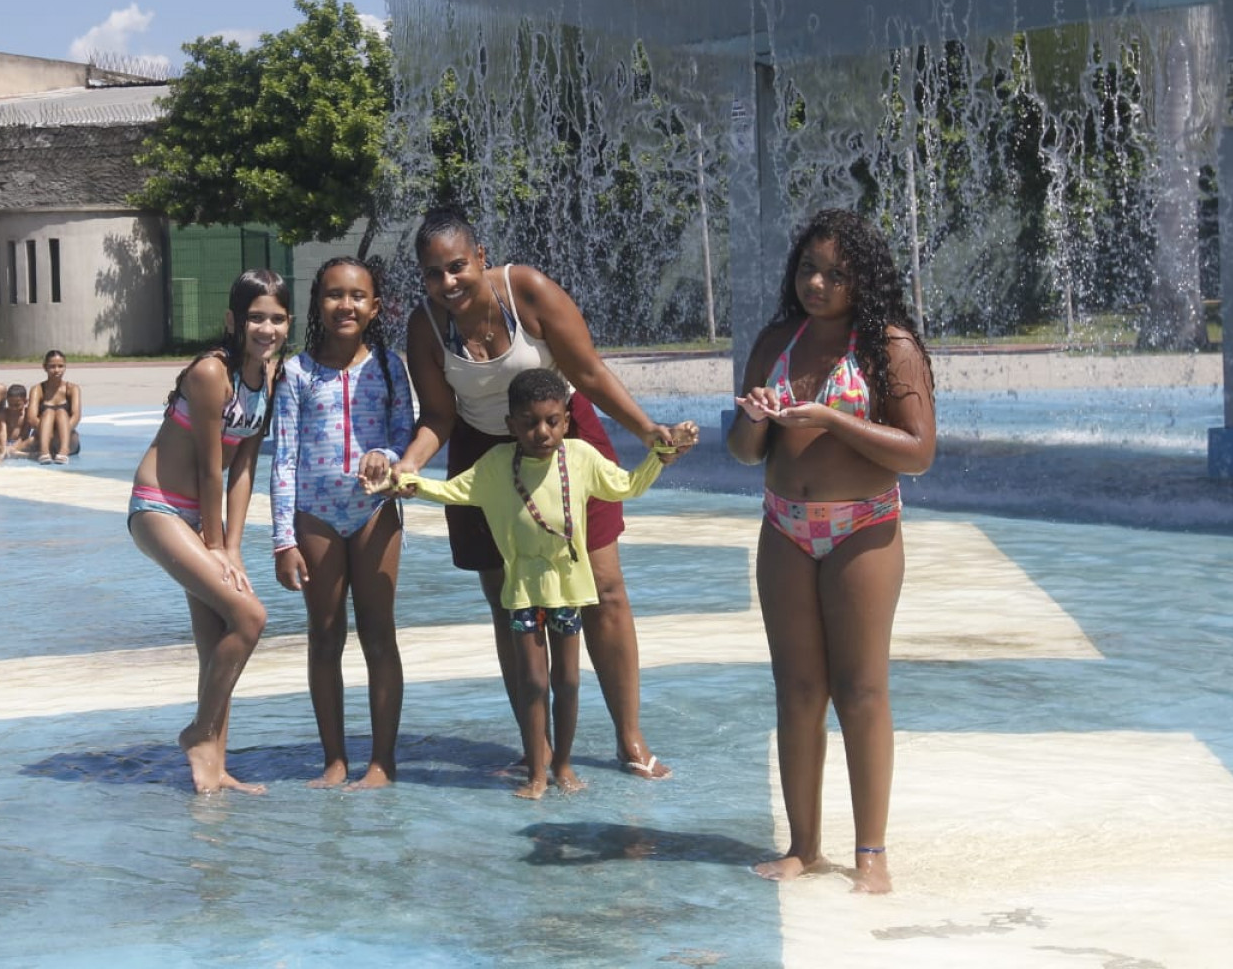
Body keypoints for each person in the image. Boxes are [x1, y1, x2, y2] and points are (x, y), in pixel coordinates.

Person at [381, 207, 688, 779]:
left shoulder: (527, 291)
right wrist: (408, 467)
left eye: (457, 266)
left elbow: (589, 373)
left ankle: (630, 737)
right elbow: (439, 416)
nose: (447, 282)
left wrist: (649, 431)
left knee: (604, 589)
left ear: (481, 257)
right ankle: (538, 747)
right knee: (512, 604)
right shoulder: (426, 326)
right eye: (432, 273)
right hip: (485, 456)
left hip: (565, 441)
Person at [726, 208, 936, 895]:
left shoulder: (889, 346)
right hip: (785, 525)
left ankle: (871, 851)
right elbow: (743, 452)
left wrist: (829, 418)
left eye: (836, 274)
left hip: (862, 527)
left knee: (861, 688)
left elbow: (919, 452)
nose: (816, 283)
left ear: (864, 279)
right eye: (808, 268)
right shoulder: (776, 341)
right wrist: (755, 420)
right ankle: (804, 846)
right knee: (797, 690)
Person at [387, 369, 694, 799]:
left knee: (567, 681)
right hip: (522, 596)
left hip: (568, 593)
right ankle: (536, 771)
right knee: (533, 681)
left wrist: (660, 455)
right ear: (511, 425)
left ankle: (563, 766)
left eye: (552, 421)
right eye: (530, 422)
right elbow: (451, 491)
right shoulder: (496, 466)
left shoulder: (581, 458)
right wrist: (406, 482)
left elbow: (626, 486)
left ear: (567, 420)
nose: (542, 432)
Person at [128, 269, 292, 794]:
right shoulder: (209, 373)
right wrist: (216, 546)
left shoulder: (270, 377)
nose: (266, 328)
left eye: (277, 318)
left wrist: (234, 548)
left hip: (204, 519)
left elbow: (244, 467)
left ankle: (213, 769)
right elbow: (208, 468)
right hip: (160, 509)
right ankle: (198, 733)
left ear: (288, 323)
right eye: (255, 318)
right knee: (249, 616)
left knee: (221, 641)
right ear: (233, 320)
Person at [270, 256, 416, 789]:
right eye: (334, 294)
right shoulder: (296, 373)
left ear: (375, 307)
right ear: (318, 303)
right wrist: (283, 539)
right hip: (317, 516)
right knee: (325, 634)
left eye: (357, 296)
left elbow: (404, 435)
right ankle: (334, 758)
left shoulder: (389, 367)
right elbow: (284, 458)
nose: (345, 305)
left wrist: (386, 454)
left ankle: (382, 761)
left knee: (379, 634)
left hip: (374, 511)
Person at [0, 384, 34, 457]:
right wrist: (3, 446)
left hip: (21, 443)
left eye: (17, 405)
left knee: (32, 440)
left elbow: (24, 434)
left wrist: (14, 447)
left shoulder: (27, 413)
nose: (13, 408)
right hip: (5, 442)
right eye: (10, 405)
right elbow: (2, 431)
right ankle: (17, 453)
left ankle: (12, 452)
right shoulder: (4, 413)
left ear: (25, 401)